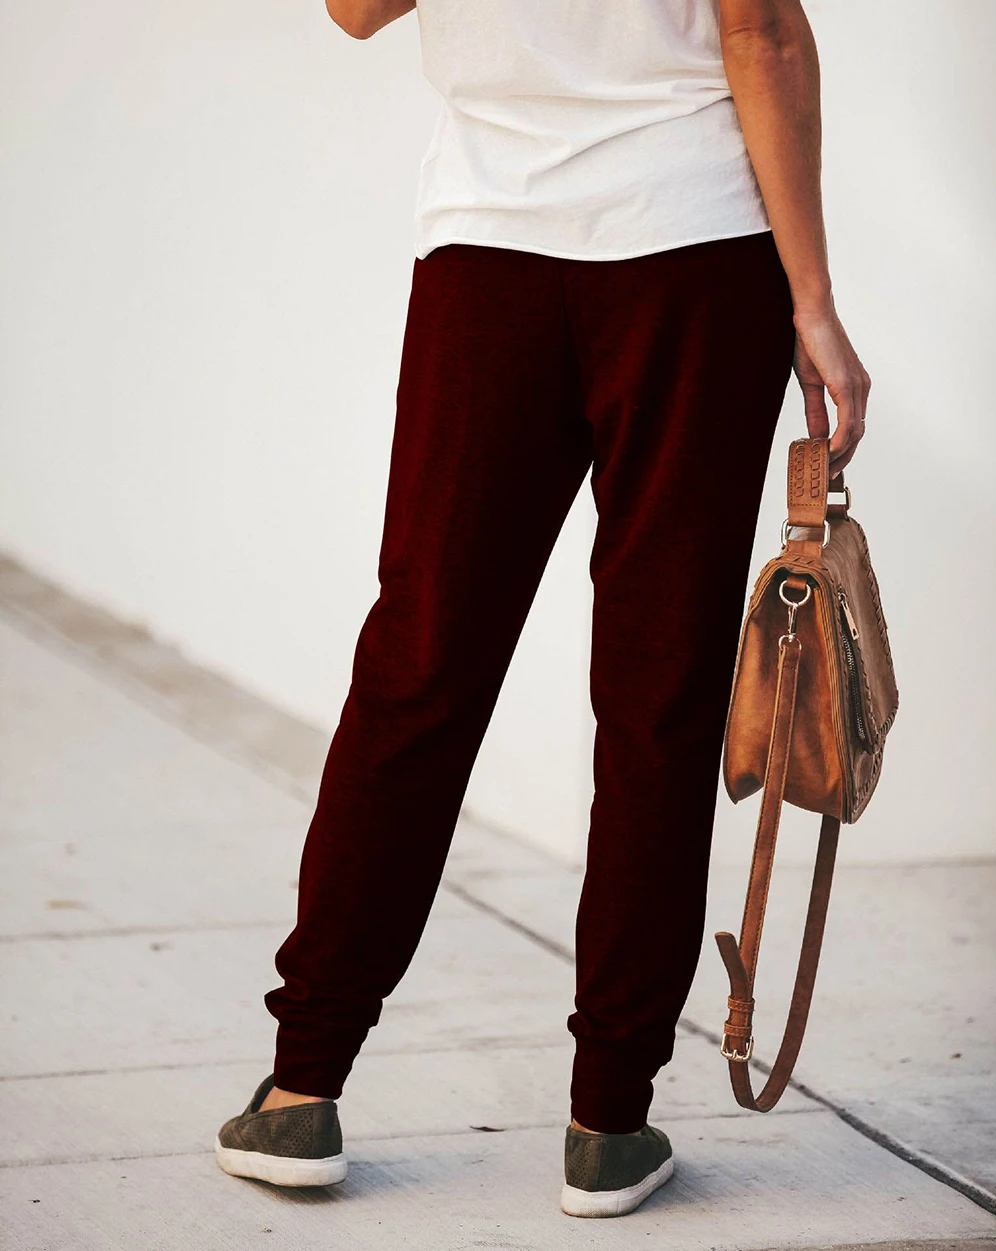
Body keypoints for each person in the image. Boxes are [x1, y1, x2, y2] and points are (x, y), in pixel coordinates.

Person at [214, 0, 869, 1218]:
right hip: (692, 251)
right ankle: (607, 1124)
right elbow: (760, 31)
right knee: (658, 694)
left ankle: (300, 1088)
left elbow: (354, 10)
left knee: (419, 665)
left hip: (490, 250)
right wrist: (812, 303)